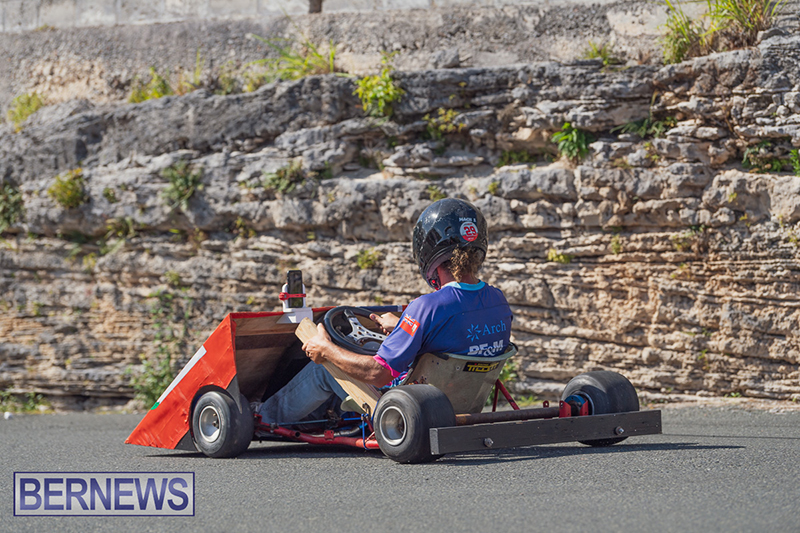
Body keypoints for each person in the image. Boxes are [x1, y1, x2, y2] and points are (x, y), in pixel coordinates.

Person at [254, 198, 513, 425]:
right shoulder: (498, 301)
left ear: (428, 250)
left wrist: (325, 349)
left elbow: (378, 374)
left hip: (411, 406)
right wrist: (403, 327)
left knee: (325, 366)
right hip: (463, 402)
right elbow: (458, 336)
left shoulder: (426, 307)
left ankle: (263, 418)